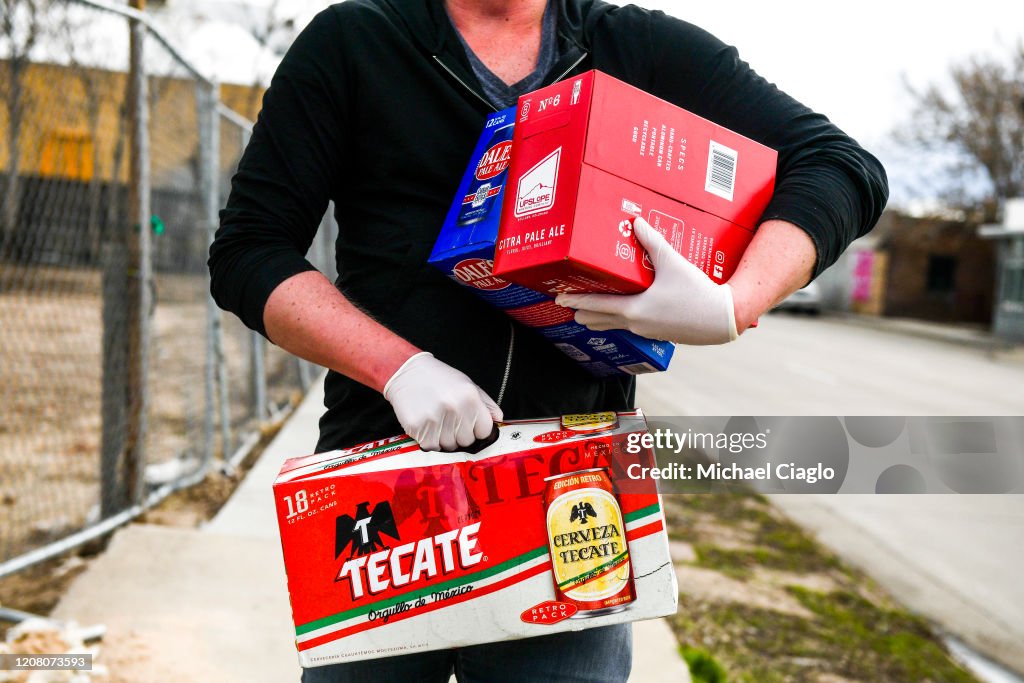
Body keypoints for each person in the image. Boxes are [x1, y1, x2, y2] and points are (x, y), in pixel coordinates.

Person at [208, 0, 888, 680]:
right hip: (383, 492)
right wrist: (399, 367)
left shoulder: (636, 48)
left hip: (573, 498)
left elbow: (839, 164)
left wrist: (733, 303)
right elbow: (249, 252)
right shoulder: (357, 40)